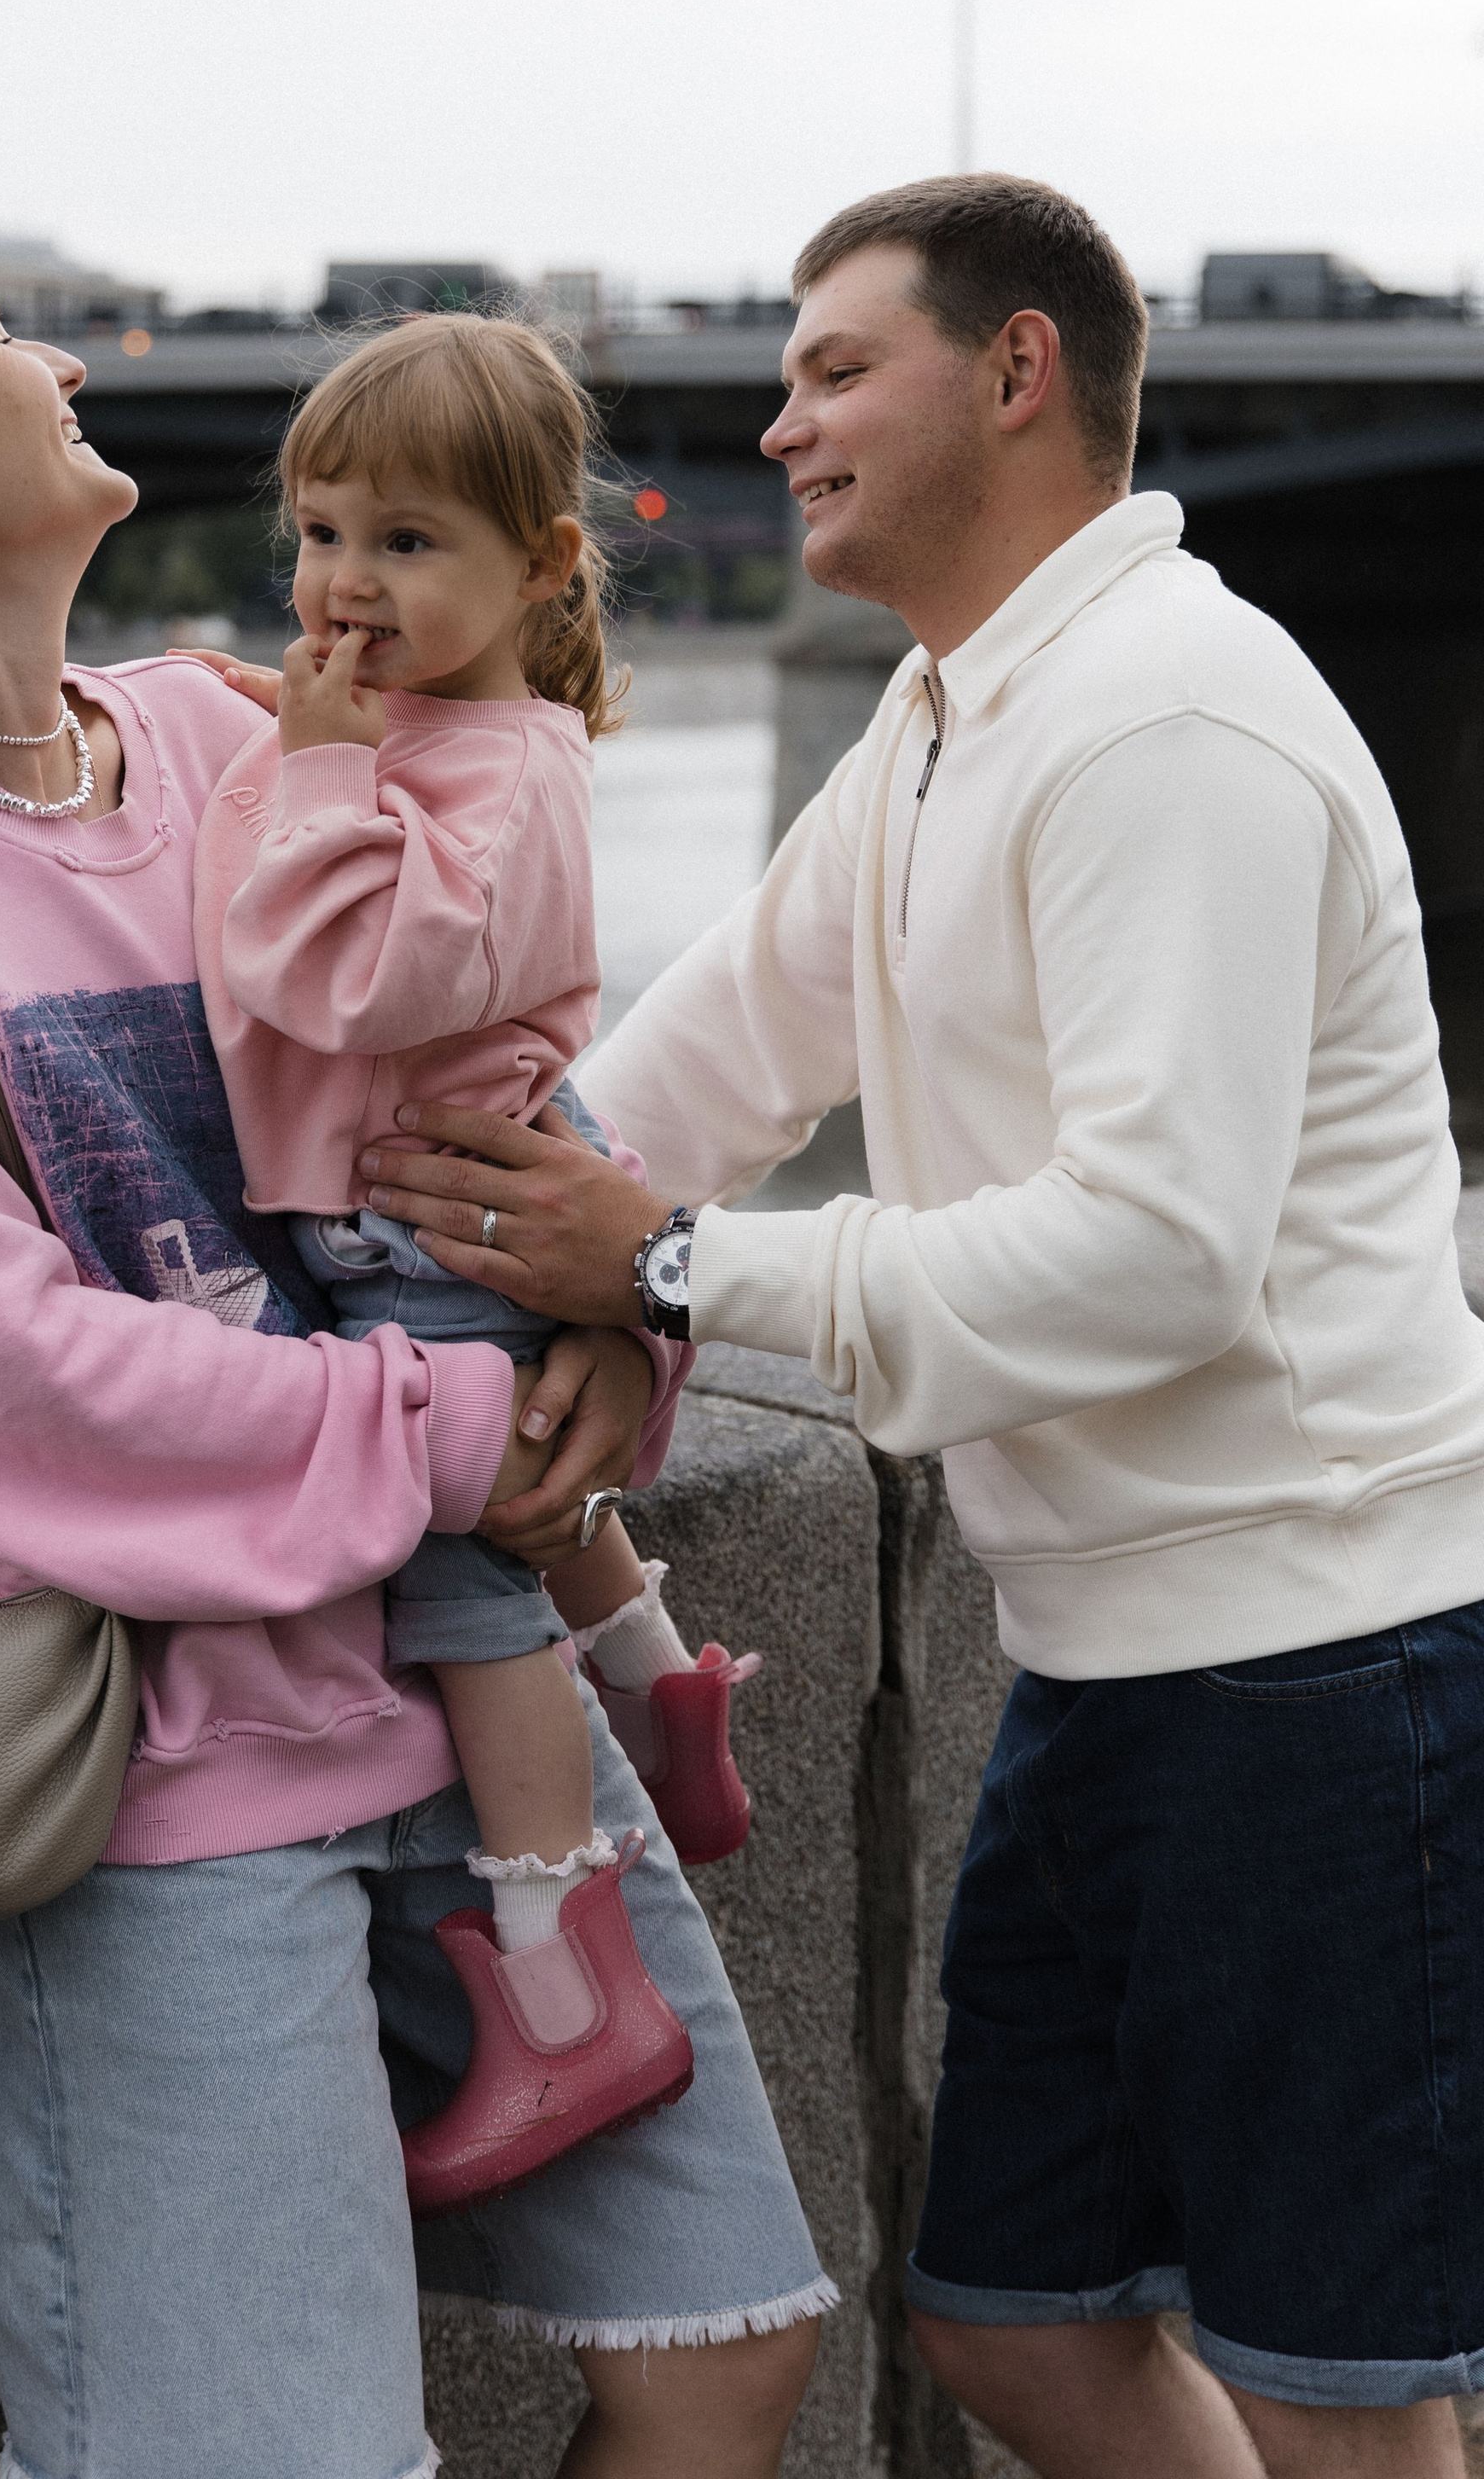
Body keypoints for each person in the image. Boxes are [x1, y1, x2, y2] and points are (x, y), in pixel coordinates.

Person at [0, 204, 834, 2479]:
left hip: (456, 1695)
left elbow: (484, 1079)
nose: (66, 355)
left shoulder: (228, 736)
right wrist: (449, 1423)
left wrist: (623, 1314)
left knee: (725, 2355)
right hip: (160, 1794)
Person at [357, 173, 1484, 2479]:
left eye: (832, 370)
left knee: (1340, 2391)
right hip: (1104, 1666)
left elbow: (1156, 1255)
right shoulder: (951, 716)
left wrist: (666, 1274)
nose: (780, 428)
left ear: (1017, 374)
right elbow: (706, 1062)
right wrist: (476, 1254)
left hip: (1325, 1674)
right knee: (1011, 2326)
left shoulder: (1172, 722)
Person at [183, 312, 759, 2215]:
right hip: (420, 1198)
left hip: (428, 1216)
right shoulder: (420, 736)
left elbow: (359, 980)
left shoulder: (493, 771)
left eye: (406, 543)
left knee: (465, 1580)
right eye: (321, 529)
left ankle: (555, 1991)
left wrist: (324, 774)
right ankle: (669, 1699)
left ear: (539, 566)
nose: (345, 582)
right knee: (533, 1499)